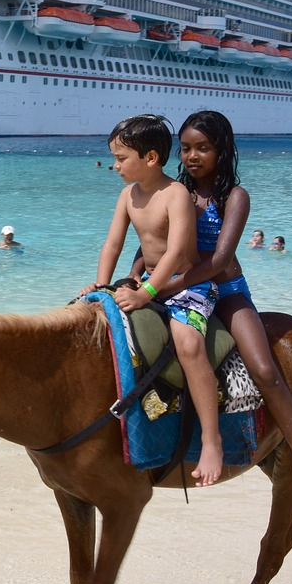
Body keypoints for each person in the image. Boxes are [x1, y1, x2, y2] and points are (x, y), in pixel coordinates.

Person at [169, 110, 292, 515]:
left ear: (222, 149)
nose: (192, 156)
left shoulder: (234, 197)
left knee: (265, 370)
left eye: (202, 148)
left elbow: (221, 259)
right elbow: (153, 241)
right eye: (185, 148)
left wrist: (166, 285)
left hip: (225, 292)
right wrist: (134, 277)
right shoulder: (175, 193)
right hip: (183, 287)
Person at [78, 114, 223, 487]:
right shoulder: (127, 195)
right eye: (114, 157)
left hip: (186, 286)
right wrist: (102, 285)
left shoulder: (175, 194)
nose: (115, 166)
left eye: (122, 158)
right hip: (147, 280)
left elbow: (175, 254)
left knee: (188, 343)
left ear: (152, 158)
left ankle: (211, 440)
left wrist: (146, 294)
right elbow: (113, 243)